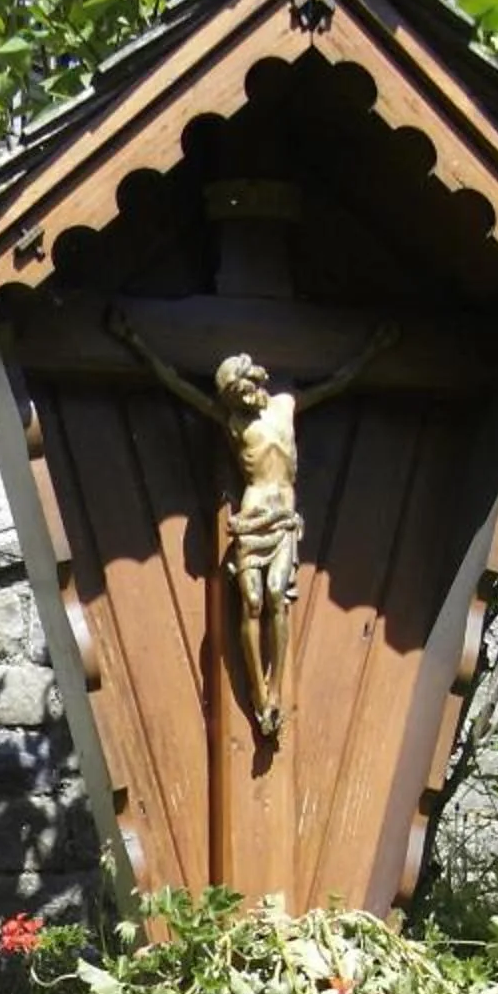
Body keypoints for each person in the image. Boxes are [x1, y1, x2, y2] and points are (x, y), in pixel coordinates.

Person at [108, 311, 392, 738]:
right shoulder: (233, 424)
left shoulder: (286, 406)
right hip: (253, 513)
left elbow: (335, 382)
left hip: (283, 518)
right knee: (253, 602)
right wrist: (136, 342)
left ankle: (275, 690)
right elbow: (177, 385)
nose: (241, 401)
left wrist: (373, 351)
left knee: (279, 595)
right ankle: (259, 691)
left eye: (243, 391)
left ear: (255, 382)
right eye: (233, 397)